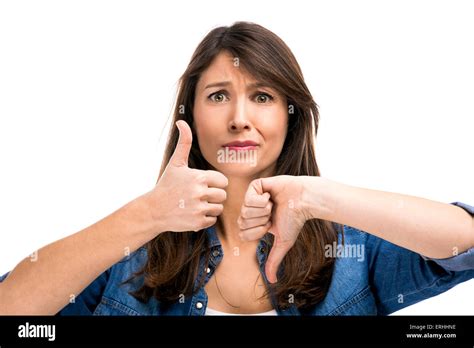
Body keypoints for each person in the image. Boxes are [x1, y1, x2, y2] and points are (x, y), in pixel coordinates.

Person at [1, 22, 473, 316]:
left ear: (292, 115)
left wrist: (315, 198)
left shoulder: (350, 252)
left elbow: (465, 243)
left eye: (263, 97)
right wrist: (148, 215)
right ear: (190, 113)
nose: (239, 118)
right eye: (219, 95)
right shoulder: (131, 259)